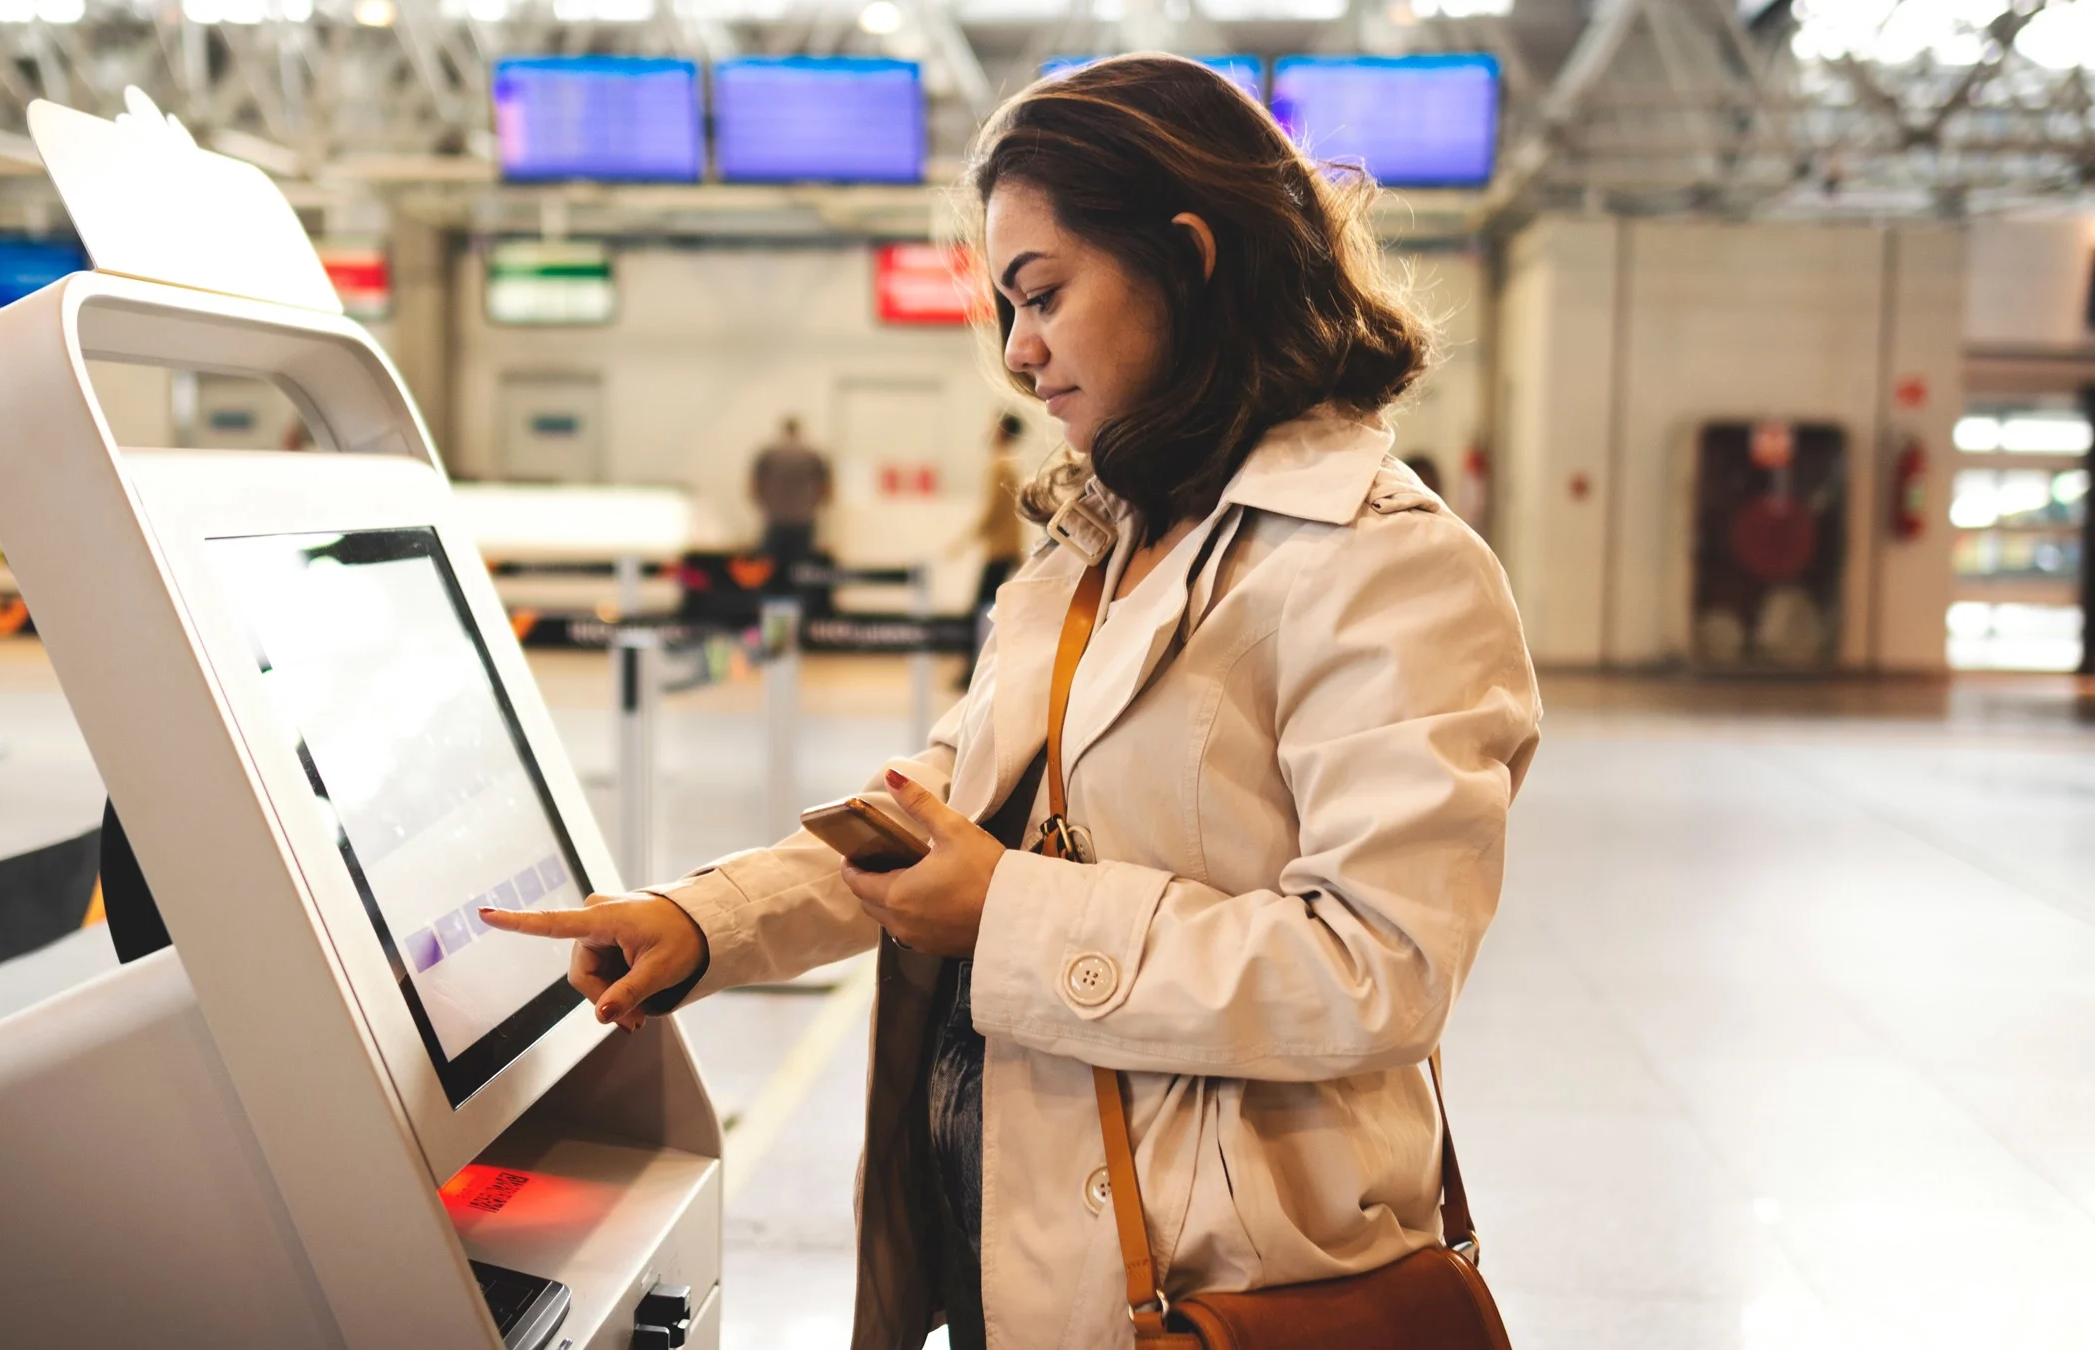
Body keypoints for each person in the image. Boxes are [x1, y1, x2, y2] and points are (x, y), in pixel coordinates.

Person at [484, 54, 1540, 1350]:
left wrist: (1011, 910)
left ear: (1190, 257)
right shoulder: (1090, 546)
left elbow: (1377, 969)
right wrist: (706, 922)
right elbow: (947, 809)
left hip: (1220, 1287)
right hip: (1011, 1247)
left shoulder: (1384, 563)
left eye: (1043, 293)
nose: (1018, 349)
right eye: (1004, 304)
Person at [953, 410, 1029, 686]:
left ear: (1001, 431)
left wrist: (962, 541)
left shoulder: (1000, 466)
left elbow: (992, 513)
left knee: (978, 612)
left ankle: (969, 673)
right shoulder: (1011, 465)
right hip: (1007, 549)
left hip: (998, 551)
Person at [749, 415, 832, 569]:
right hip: (803, 518)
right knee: (801, 567)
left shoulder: (769, 454)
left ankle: (773, 591)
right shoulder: (812, 455)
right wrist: (815, 506)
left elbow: (754, 486)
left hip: (776, 518)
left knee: (771, 566)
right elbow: (826, 488)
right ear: (798, 432)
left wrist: (764, 505)